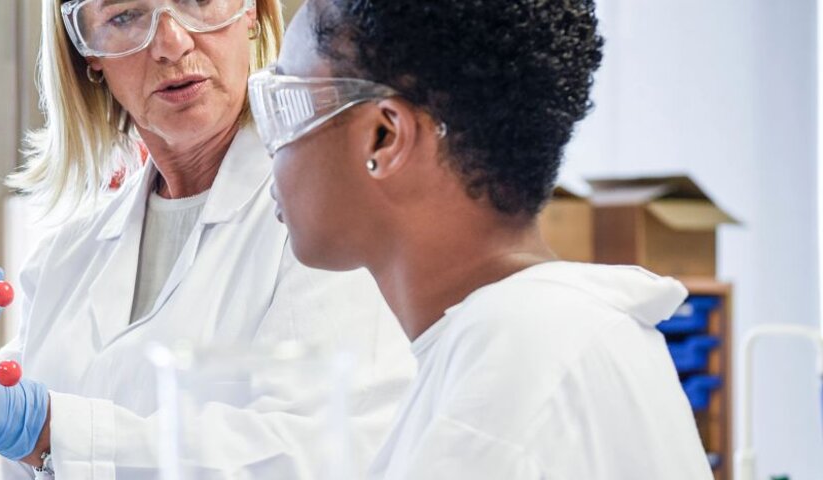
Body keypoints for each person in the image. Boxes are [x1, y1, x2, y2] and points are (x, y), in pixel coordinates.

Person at [0, 0, 414, 478]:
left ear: (252, 10)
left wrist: (46, 429)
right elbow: (5, 466)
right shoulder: (70, 257)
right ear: (87, 52)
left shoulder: (335, 217)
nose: (173, 44)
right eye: (125, 16)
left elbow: (325, 455)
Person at [250, 0, 712, 477]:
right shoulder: (532, 333)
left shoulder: (515, 358)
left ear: (383, 137)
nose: (269, 150)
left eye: (285, 105)